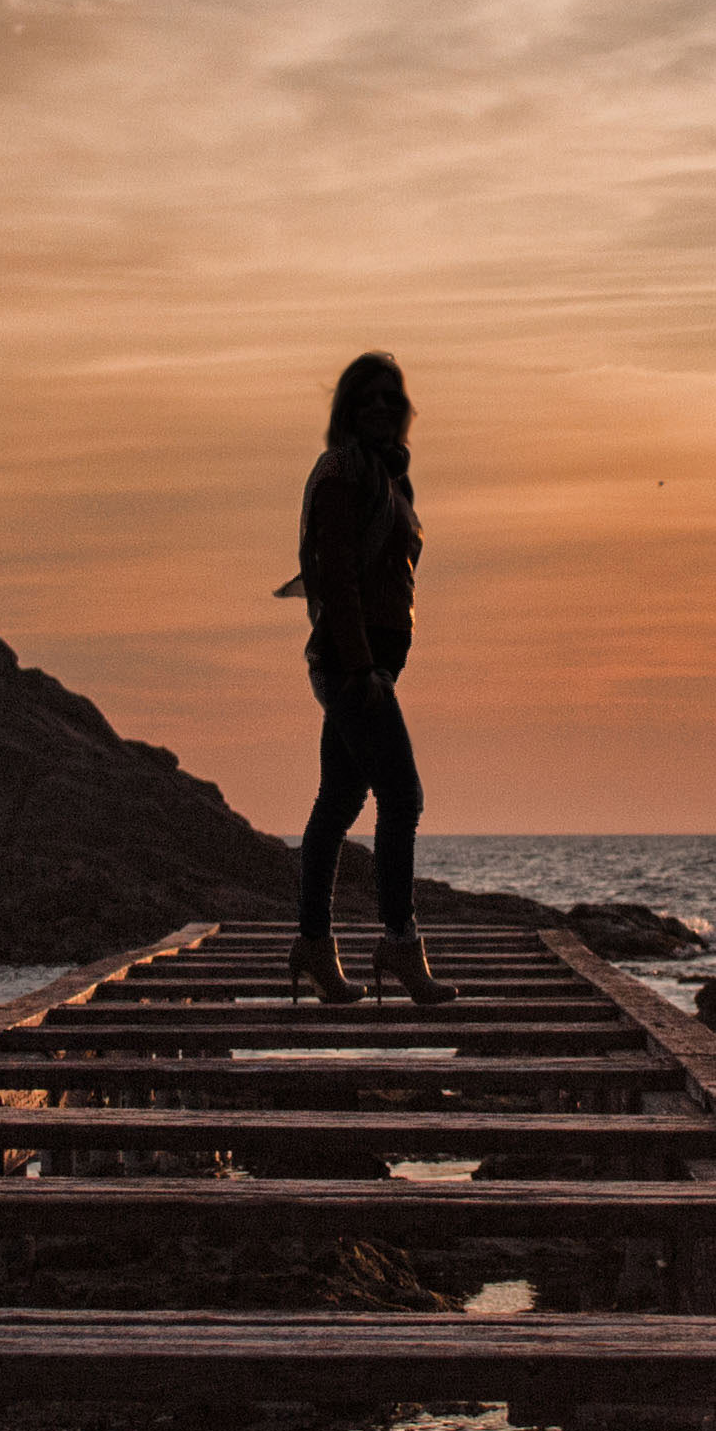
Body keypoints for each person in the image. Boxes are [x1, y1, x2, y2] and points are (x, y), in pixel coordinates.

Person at [282, 350, 445, 1005]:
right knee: (400, 797)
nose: (382, 407)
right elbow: (339, 576)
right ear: (347, 409)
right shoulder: (342, 473)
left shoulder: (385, 478)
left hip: (373, 664)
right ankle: (399, 945)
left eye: (392, 398)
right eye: (368, 397)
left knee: (338, 803)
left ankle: (313, 948)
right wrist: (359, 667)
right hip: (354, 667)